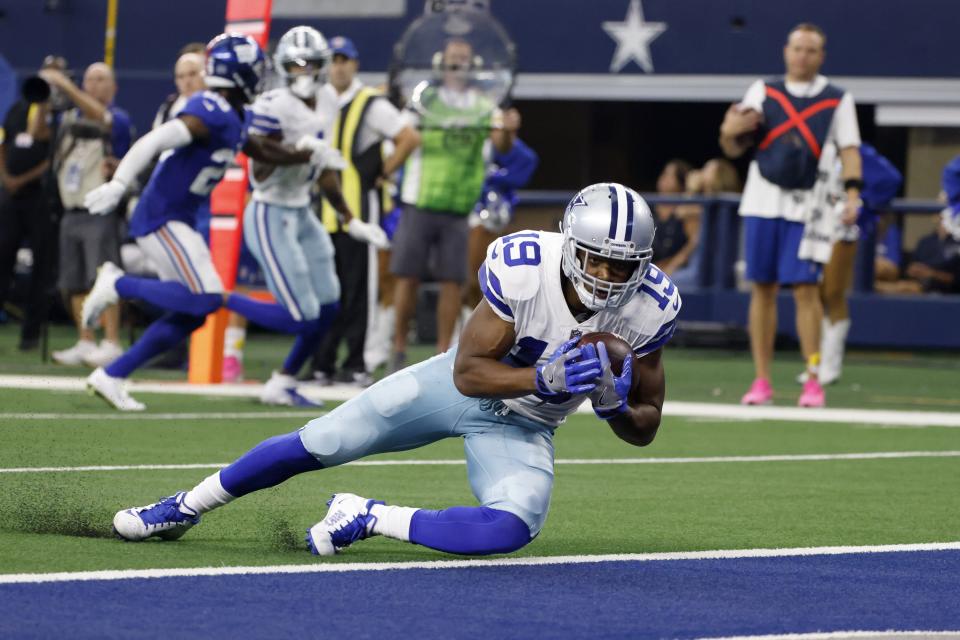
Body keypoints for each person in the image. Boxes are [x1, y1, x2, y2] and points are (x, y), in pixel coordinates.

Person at [110, 183, 680, 559]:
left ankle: (367, 514)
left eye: (623, 264)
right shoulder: (525, 266)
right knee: (323, 438)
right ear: (568, 243)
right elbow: (467, 372)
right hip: (462, 389)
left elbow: (646, 425)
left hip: (523, 426)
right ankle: (184, 507)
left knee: (512, 528)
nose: (607, 275)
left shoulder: (650, 306)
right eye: (596, 257)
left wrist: (613, 407)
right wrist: (542, 379)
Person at [78, 33, 352, 410]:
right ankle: (118, 282)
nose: (262, 77)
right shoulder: (207, 109)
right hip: (162, 219)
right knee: (206, 298)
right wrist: (121, 182)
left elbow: (261, 149)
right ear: (240, 73)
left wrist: (307, 154)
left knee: (192, 313)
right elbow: (156, 140)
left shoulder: (235, 114)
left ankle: (111, 375)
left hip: (179, 220)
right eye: (256, 70)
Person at [719, 23, 862, 408]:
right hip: (763, 199)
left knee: (805, 289)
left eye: (811, 50)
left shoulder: (837, 99)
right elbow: (732, 144)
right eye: (797, 48)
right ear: (786, 51)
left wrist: (853, 195)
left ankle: (813, 378)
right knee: (762, 288)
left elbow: (850, 149)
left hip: (809, 205)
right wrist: (729, 130)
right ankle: (762, 379)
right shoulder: (763, 91)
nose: (803, 56)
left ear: (821, 55)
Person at [390, 37, 519, 371]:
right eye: (453, 57)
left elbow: (501, 145)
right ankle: (398, 349)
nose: (458, 63)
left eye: (464, 57)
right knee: (407, 277)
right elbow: (401, 134)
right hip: (420, 198)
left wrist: (509, 130)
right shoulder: (423, 98)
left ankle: (442, 354)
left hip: (459, 206)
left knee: (453, 282)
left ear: (473, 64)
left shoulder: (483, 103)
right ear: (440, 61)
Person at [307, 35, 421, 387]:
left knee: (359, 291)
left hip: (360, 212)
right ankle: (321, 362)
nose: (339, 66)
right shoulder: (317, 100)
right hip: (323, 212)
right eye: (334, 60)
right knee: (325, 291)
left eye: (345, 59)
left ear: (354, 64)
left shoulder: (370, 102)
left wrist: (385, 171)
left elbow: (409, 137)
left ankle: (356, 362)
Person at [45, 62, 134, 368]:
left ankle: (111, 341)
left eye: (101, 80)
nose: (94, 85)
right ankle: (85, 340)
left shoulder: (118, 118)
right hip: (71, 209)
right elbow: (40, 134)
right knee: (74, 280)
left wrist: (66, 85)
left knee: (104, 277)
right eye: (90, 80)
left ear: (114, 87)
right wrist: (48, 95)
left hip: (100, 209)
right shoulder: (69, 118)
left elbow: (103, 118)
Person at [798, 143, 901, 385]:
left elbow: (890, 178)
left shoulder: (855, 149)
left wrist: (864, 207)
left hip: (841, 223)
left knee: (833, 292)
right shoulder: (809, 141)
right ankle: (815, 361)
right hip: (810, 220)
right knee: (813, 292)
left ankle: (830, 365)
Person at [0, 59, 57, 351]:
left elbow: (43, 138)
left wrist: (48, 101)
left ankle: (31, 335)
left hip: (39, 199)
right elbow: (5, 142)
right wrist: (6, 177)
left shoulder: (55, 113)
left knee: (40, 268)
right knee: (2, 259)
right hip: (10, 199)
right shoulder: (17, 108)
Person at [461, 132, 539, 311]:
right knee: (456, 279)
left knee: (480, 278)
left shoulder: (496, 144)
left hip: (484, 215)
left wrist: (491, 179)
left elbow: (528, 161)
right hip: (452, 210)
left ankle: (473, 327)